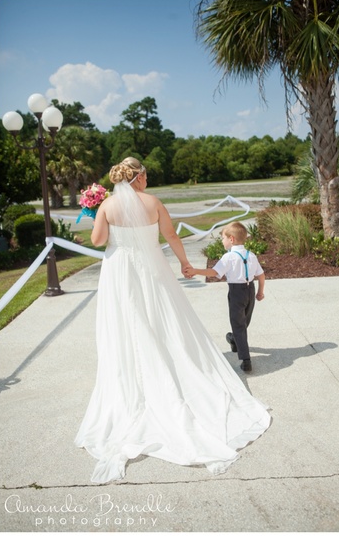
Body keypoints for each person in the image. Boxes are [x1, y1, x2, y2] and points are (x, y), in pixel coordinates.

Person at [74, 157, 271, 484]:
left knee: (124, 323)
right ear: (140, 176)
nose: (148, 179)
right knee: (162, 319)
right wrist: (184, 264)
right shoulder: (153, 202)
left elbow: (97, 241)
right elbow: (171, 237)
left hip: (119, 270)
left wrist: (99, 214)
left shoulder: (108, 205)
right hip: (152, 268)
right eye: (147, 174)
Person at [185, 222, 265, 372]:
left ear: (232, 239)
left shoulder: (229, 257)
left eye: (223, 238)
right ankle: (234, 339)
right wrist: (260, 292)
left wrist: (195, 270)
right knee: (244, 321)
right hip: (250, 291)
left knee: (238, 324)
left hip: (236, 292)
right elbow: (261, 275)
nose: (222, 241)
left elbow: (214, 272)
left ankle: (246, 360)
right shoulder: (251, 255)